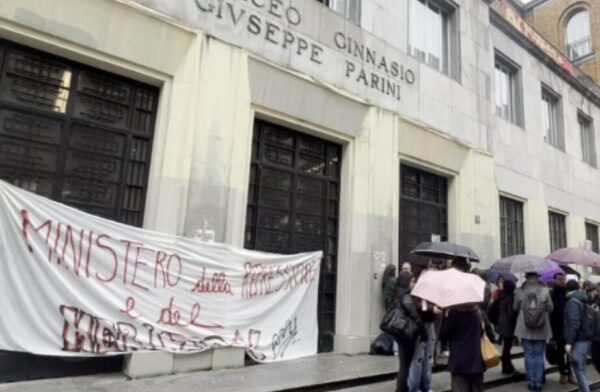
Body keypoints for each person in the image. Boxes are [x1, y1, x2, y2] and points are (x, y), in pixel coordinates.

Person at [514, 272, 553, 391]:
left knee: (528, 355)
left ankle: (531, 381)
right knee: (539, 355)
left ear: (526, 277)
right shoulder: (545, 291)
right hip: (541, 329)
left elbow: (515, 308)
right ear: (537, 277)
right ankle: (539, 382)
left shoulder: (519, 291)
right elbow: (551, 308)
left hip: (525, 329)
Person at [439, 303, 486, 392]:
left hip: (458, 360)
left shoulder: (453, 314)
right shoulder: (478, 313)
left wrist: (445, 318)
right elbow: (482, 331)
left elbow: (443, 335)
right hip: (475, 359)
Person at [394, 271, 428, 392]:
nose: (414, 283)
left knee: (404, 365)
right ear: (406, 282)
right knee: (405, 366)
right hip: (407, 335)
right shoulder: (407, 297)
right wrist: (425, 335)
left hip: (400, 334)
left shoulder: (398, 294)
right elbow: (416, 317)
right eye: (412, 281)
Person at [408, 269, 438, 392]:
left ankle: (426, 385)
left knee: (428, 358)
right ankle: (414, 387)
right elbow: (420, 307)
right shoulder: (415, 293)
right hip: (420, 328)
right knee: (418, 359)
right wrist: (432, 309)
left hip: (430, 326)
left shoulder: (431, 292)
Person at [564, 279, 592, 392]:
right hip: (586, 338)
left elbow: (573, 323)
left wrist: (569, 342)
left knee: (578, 369)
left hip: (579, 339)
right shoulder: (583, 298)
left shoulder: (573, 302)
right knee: (582, 367)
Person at [549, 272, 573, 385]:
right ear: (555, 280)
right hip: (557, 328)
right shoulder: (551, 294)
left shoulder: (568, 293)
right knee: (559, 353)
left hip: (568, 327)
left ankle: (570, 374)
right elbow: (550, 313)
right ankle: (563, 373)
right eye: (559, 279)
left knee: (569, 352)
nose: (562, 281)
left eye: (563, 279)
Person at [496, 279, 518, 375]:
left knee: (506, 347)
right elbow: (511, 313)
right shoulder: (509, 298)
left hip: (502, 324)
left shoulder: (502, 296)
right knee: (507, 348)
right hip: (508, 325)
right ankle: (507, 366)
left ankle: (506, 366)